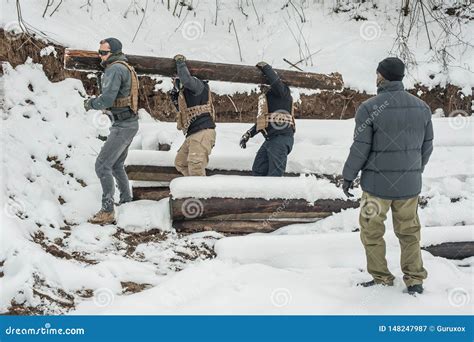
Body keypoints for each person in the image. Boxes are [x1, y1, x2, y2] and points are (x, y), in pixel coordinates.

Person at [342, 57, 434, 295]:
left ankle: (381, 277)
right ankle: (414, 280)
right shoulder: (422, 107)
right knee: (410, 232)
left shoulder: (369, 108)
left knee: (371, 231)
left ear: (381, 76)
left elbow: (360, 147)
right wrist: (414, 170)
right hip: (409, 188)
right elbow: (427, 146)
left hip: (376, 188)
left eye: (377, 73)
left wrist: (348, 175)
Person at [83, 38, 139, 225]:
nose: (101, 56)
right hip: (127, 124)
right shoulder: (124, 66)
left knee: (102, 165)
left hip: (123, 126)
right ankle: (126, 201)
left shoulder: (115, 69)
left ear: (113, 53)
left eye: (104, 53)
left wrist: (90, 103)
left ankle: (107, 211)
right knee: (116, 165)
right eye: (99, 52)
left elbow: (106, 100)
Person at [240, 62, 295, 176]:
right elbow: (263, 122)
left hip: (280, 139)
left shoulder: (283, 92)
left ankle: (276, 194)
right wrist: (249, 134)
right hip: (271, 140)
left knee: (275, 176)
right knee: (258, 169)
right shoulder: (270, 98)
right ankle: (259, 194)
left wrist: (266, 67)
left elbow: (275, 81)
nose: (260, 86)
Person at [171, 54, 216, 176]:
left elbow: (186, 80)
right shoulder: (186, 93)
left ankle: (200, 193)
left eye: (177, 77)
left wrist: (180, 63)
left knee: (196, 168)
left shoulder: (198, 85)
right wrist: (175, 92)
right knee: (181, 163)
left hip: (202, 132)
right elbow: (182, 108)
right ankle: (192, 188)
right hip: (193, 134)